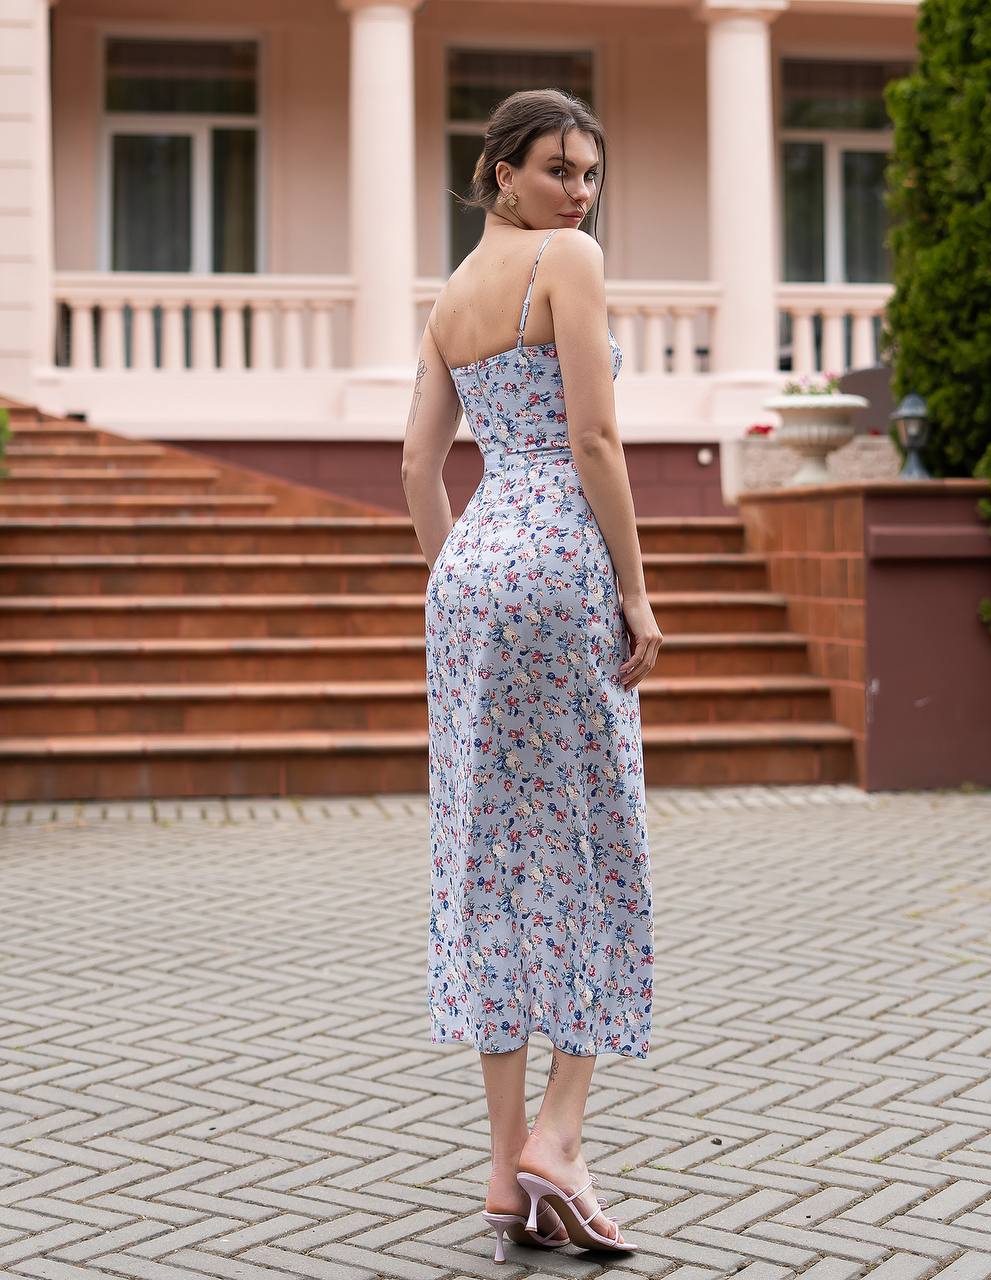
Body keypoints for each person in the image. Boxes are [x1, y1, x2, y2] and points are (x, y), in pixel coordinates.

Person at [402, 88, 660, 1260]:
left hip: (469, 574)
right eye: (558, 168)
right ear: (499, 170)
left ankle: (506, 1173)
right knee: (594, 839)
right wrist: (637, 591)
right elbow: (595, 441)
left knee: (491, 851)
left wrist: (459, 577)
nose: (578, 190)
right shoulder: (569, 259)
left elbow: (417, 463)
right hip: (559, 554)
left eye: (590, 174)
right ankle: (559, 1132)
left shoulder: (450, 295)